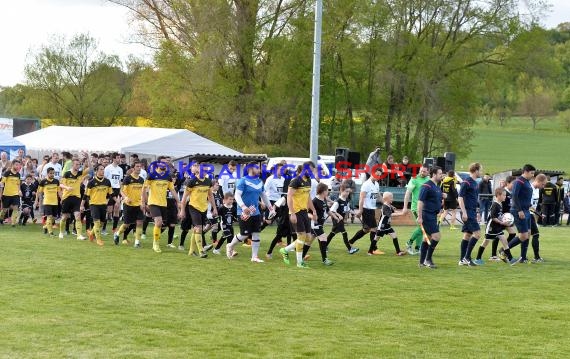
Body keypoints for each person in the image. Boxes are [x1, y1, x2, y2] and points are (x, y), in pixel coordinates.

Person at [225, 162, 274, 263]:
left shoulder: (260, 181)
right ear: (250, 169)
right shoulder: (242, 181)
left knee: (256, 233)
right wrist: (243, 207)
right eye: (257, 168)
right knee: (244, 234)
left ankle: (254, 257)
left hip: (255, 212)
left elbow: (263, 196)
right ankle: (230, 245)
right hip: (244, 212)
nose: (260, 170)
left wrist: (271, 208)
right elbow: (237, 195)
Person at [279, 163, 318, 268]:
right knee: (301, 236)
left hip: (304, 212)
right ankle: (299, 263)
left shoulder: (308, 180)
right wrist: (292, 213)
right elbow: (289, 197)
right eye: (310, 170)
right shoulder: (295, 181)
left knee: (308, 237)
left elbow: (308, 197)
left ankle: (285, 250)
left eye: (312, 170)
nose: (311, 172)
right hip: (295, 212)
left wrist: (313, 210)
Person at [143, 161, 180, 253]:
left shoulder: (168, 177)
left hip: (163, 204)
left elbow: (172, 190)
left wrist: (178, 201)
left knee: (161, 225)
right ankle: (155, 244)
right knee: (158, 222)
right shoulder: (151, 175)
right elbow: (144, 189)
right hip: (153, 202)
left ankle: (156, 242)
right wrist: (144, 202)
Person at [179, 162, 215, 258]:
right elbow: (184, 198)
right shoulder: (192, 182)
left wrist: (214, 208)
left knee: (196, 230)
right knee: (198, 228)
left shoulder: (208, 181)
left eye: (206, 170)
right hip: (193, 207)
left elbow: (210, 195)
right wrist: (182, 210)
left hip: (203, 208)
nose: (205, 171)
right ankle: (201, 251)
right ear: (198, 169)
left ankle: (191, 251)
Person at [346, 166, 384, 255]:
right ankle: (373, 249)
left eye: (379, 175)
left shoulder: (376, 184)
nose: (378, 176)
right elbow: (361, 198)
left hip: (372, 209)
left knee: (366, 229)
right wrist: (360, 210)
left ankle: (350, 242)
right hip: (366, 209)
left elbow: (378, 196)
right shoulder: (366, 184)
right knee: (374, 228)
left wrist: (386, 203)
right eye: (377, 174)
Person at [505, 164, 537, 265]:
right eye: (531, 173)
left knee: (527, 234)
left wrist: (530, 206)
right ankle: (503, 250)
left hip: (526, 210)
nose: (533, 175)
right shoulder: (518, 181)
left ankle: (523, 257)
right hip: (519, 211)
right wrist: (519, 210)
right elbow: (514, 196)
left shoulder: (527, 181)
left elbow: (524, 197)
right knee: (523, 235)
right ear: (526, 171)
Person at [474, 187, 515, 265]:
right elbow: (493, 217)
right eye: (504, 195)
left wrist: (506, 220)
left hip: (497, 227)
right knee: (485, 242)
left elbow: (498, 216)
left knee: (505, 242)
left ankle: (511, 258)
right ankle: (477, 258)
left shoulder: (500, 204)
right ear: (498, 195)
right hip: (491, 227)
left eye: (505, 195)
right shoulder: (495, 204)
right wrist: (502, 223)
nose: (505, 197)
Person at [417, 166, 444, 269]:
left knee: (427, 238)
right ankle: (428, 259)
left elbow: (435, 199)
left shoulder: (436, 186)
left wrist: (439, 207)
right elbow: (420, 201)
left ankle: (421, 262)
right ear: (434, 174)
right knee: (436, 236)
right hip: (426, 215)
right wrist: (419, 217)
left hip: (433, 215)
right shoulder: (426, 185)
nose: (441, 175)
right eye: (440, 174)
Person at [59, 155, 91, 240]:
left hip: (77, 198)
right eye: (76, 164)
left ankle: (79, 235)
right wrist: (67, 188)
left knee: (77, 215)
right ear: (72, 165)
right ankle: (61, 232)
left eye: (79, 164)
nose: (78, 166)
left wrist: (88, 158)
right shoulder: (67, 174)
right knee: (65, 217)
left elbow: (90, 169)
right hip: (67, 197)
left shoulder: (80, 173)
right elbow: (61, 184)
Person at [114, 160, 145, 248]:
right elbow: (121, 191)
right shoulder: (128, 178)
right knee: (127, 224)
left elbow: (143, 193)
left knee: (139, 222)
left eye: (140, 167)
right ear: (133, 168)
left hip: (138, 205)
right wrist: (125, 197)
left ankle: (137, 242)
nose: (139, 168)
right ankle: (117, 234)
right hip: (128, 205)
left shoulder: (141, 179)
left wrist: (143, 202)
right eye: (137, 167)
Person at [458, 163, 483, 267]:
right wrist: (464, 212)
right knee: (477, 234)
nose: (481, 172)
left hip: (472, 211)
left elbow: (474, 199)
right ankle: (467, 258)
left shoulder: (475, 183)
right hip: (467, 212)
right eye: (480, 170)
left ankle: (462, 260)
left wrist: (477, 211)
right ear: (476, 170)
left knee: (467, 235)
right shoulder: (466, 182)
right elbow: (460, 198)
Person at [402, 166, 430, 255]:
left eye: (424, 171)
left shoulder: (429, 179)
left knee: (422, 228)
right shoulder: (414, 179)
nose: (422, 173)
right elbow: (408, 193)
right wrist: (405, 207)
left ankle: (418, 248)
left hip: (425, 208)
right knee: (422, 227)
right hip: (416, 207)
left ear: (428, 172)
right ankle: (409, 243)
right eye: (421, 171)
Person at [306, 183, 336, 265]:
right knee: (323, 238)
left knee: (309, 241)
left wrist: (335, 217)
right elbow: (307, 213)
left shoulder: (324, 199)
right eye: (327, 190)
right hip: (315, 224)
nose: (328, 192)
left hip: (320, 224)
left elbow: (328, 210)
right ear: (323, 191)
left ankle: (301, 256)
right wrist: (312, 217)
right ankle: (325, 260)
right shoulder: (314, 201)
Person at [82, 164, 113, 246]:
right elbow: (86, 195)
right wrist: (82, 205)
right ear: (96, 171)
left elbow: (110, 193)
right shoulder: (91, 182)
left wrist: (114, 201)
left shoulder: (107, 181)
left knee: (102, 223)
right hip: (94, 204)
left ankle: (91, 233)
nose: (102, 171)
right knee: (97, 222)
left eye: (103, 169)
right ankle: (98, 240)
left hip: (103, 205)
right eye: (101, 169)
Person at [371, 192, 406, 256]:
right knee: (376, 238)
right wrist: (401, 214)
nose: (392, 199)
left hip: (387, 225)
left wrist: (402, 212)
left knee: (394, 236)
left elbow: (395, 211)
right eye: (391, 198)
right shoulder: (385, 207)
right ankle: (370, 251)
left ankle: (398, 252)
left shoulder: (389, 206)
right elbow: (391, 214)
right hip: (382, 226)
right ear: (387, 199)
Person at [35, 167, 60, 237]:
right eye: (51, 173)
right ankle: (51, 233)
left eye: (53, 173)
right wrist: (37, 200)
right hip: (47, 202)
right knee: (49, 217)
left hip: (55, 202)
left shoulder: (56, 181)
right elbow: (39, 192)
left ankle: (45, 226)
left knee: (54, 218)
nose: (52, 174)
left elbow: (59, 191)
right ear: (47, 173)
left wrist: (62, 199)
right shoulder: (43, 182)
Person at [528, 174, 548, 263]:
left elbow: (534, 205)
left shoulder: (537, 190)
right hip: (528, 214)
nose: (543, 187)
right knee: (534, 234)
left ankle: (525, 257)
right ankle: (536, 257)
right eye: (543, 184)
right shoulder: (530, 189)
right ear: (538, 181)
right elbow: (528, 205)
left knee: (526, 236)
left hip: (531, 214)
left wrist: (539, 214)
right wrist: (538, 214)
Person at [326, 185, 352, 251]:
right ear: (341, 191)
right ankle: (350, 249)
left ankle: (324, 245)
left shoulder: (346, 200)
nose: (347, 193)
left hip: (341, 220)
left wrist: (357, 213)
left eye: (348, 192)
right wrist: (338, 215)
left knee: (332, 233)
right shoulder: (338, 201)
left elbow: (348, 209)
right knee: (344, 232)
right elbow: (332, 210)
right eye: (346, 191)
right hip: (336, 219)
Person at [104, 152, 124, 234]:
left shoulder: (120, 169)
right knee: (108, 211)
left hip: (117, 190)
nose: (119, 159)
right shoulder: (108, 168)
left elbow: (120, 182)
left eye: (119, 158)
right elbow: (105, 180)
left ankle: (114, 228)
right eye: (118, 158)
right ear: (114, 159)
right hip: (109, 190)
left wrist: (120, 192)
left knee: (117, 209)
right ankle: (103, 229)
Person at [0, 159, 23, 226]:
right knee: (4, 209)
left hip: (15, 194)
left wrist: (19, 191)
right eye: (16, 165)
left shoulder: (18, 174)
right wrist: (0, 193)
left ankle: (13, 223)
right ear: (12, 165)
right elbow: (2, 182)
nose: (18, 166)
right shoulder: (7, 173)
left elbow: (18, 184)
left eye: (18, 165)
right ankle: (1, 219)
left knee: (16, 207)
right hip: (6, 194)